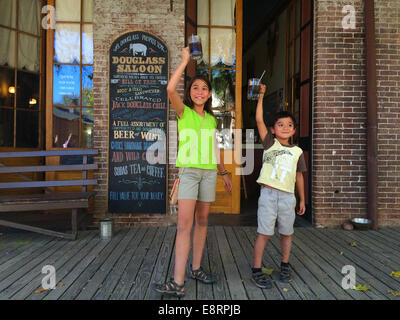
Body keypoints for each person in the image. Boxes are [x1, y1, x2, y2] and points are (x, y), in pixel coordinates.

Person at [152, 47, 232, 297]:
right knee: (184, 226)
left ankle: (196, 268)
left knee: (202, 223)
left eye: (204, 89)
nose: (199, 91)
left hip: (209, 173)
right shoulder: (183, 112)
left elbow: (214, 147)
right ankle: (177, 283)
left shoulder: (211, 120)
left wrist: (223, 172)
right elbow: (168, 89)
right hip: (189, 174)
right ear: (190, 93)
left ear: (209, 95)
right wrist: (185, 61)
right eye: (195, 87)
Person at [251, 83, 307, 289]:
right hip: (268, 195)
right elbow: (258, 119)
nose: (285, 127)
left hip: (287, 197)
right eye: (280, 125)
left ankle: (285, 264)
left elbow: (299, 177)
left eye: (289, 125)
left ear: (293, 130)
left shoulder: (298, 152)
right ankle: (256, 269)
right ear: (273, 130)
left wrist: (302, 199)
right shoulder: (270, 143)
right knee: (264, 233)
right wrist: (261, 95)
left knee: (286, 232)